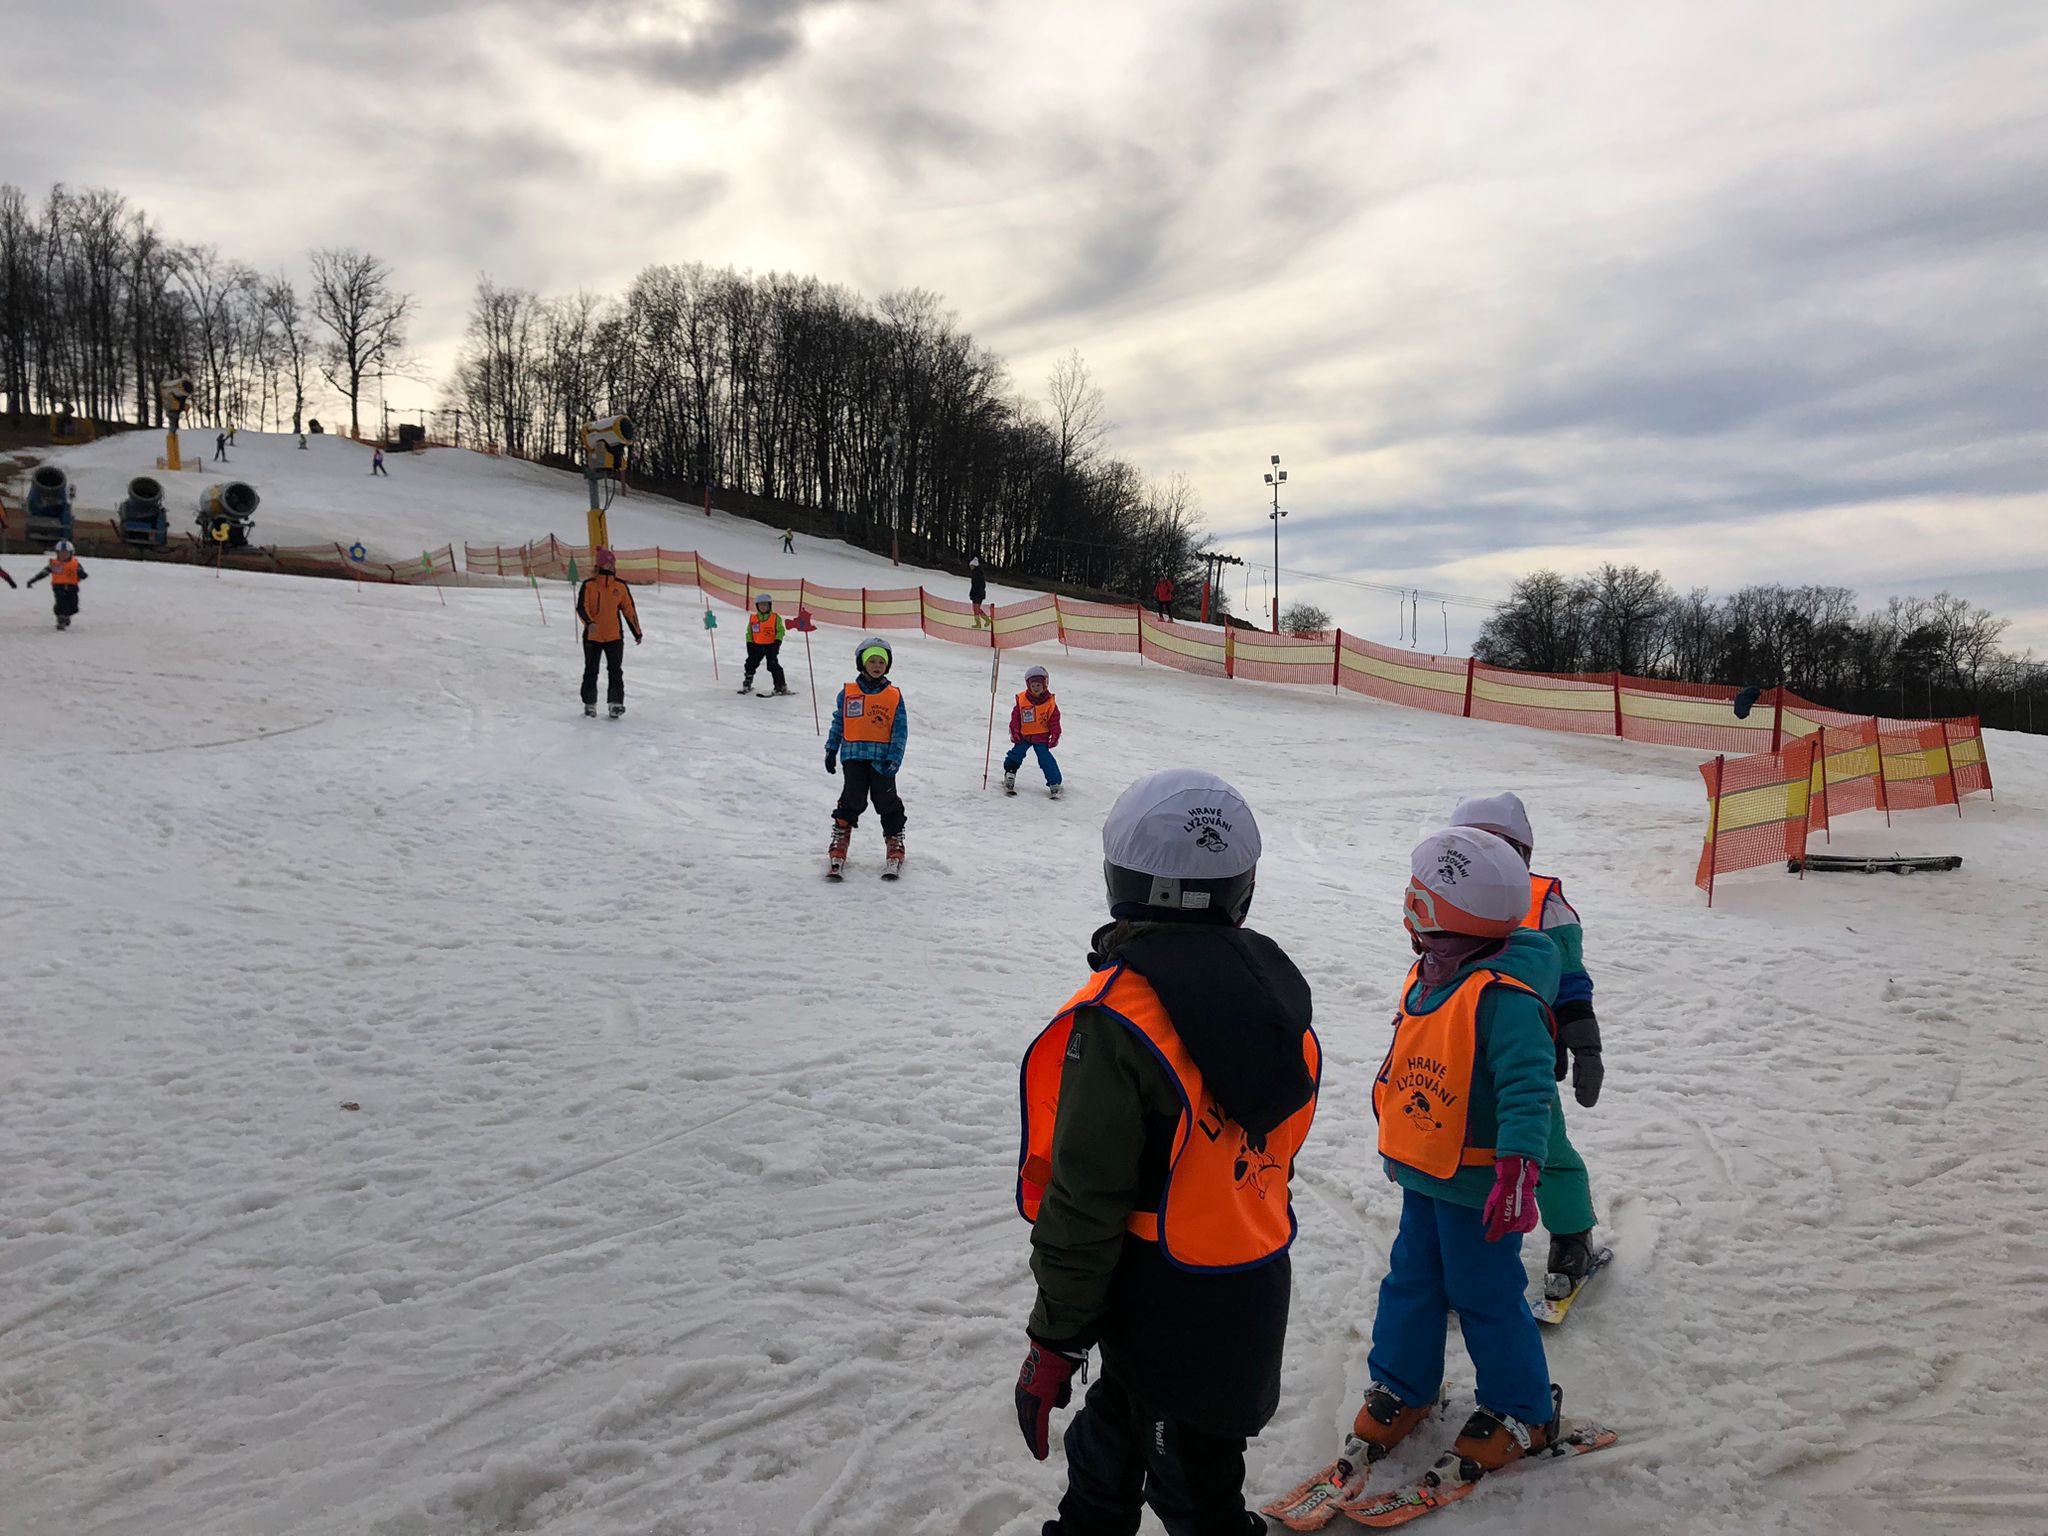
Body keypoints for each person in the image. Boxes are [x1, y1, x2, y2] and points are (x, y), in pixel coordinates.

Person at [1015, 768, 1319, 1536]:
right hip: (1242, 1289)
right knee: (1109, 1453)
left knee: (1191, 1491)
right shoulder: (1276, 1000)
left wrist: (1055, 1336)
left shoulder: (1122, 1018)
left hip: (1161, 1305)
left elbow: (1085, 1198)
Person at [1347, 826, 1562, 1480]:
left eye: (1418, 898)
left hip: (1478, 1186)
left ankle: (1524, 1410)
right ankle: (1404, 1385)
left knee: (1483, 1293)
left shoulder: (1504, 998)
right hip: (1425, 1170)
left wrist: (1518, 1169)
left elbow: (1529, 1089)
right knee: (1411, 1281)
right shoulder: (1434, 971)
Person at [1450, 792, 1604, 1300]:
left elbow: (1570, 978)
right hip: (1455, 1049)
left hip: (1523, 1056)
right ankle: (1454, 1244)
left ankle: (1572, 1233)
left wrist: (1583, 1042)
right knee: (1456, 1147)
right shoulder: (1443, 889)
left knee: (1544, 1146)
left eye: (1497, 847)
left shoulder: (1544, 905)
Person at [824, 636, 908, 877]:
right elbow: (839, 722)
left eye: (882, 662)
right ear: (862, 663)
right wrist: (831, 749)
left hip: (882, 760)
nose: (877, 666)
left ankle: (894, 841)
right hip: (854, 756)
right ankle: (840, 842)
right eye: (872, 661)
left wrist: (895, 758)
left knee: (886, 800)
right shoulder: (848, 693)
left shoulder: (893, 695)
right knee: (852, 798)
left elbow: (900, 730)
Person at [575, 547, 641, 718]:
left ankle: (615, 703)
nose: (611, 566)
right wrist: (590, 623)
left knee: (615, 670)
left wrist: (637, 632)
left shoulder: (620, 586)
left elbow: (629, 610)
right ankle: (590, 703)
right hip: (593, 637)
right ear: (599, 564)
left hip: (614, 636)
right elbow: (582, 607)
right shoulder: (589, 585)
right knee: (591, 670)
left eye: (613, 563)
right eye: (608, 563)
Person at [1002, 664, 1063, 799]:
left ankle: (1054, 783)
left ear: (1045, 685)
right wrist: (1014, 730)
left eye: (1038, 685)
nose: (1036, 688)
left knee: (1046, 760)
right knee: (1016, 754)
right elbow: (1016, 717)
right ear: (1028, 685)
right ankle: (1010, 773)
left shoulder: (1049, 703)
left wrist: (1055, 735)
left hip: (1041, 737)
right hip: (1024, 736)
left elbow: (1054, 720)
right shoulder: (1023, 700)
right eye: (1033, 685)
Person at [26, 540, 87, 630]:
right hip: (59, 587)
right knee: (61, 603)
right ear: (57, 553)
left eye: (66, 553)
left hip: (72, 587)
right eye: (61, 553)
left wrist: (81, 574)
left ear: (71, 553)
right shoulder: (55, 564)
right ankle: (61, 619)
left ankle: (67, 615)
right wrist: (33, 580)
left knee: (74, 607)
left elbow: (83, 574)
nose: (63, 555)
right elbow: (44, 573)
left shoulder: (75, 564)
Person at [740, 592, 791, 696]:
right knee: (750, 663)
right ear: (757, 606)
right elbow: (749, 632)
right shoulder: (753, 618)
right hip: (756, 645)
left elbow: (780, 631)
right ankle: (747, 682)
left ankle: (780, 686)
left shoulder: (775, 617)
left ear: (769, 606)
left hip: (771, 645)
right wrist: (749, 643)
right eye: (761, 605)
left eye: (765, 605)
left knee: (773, 665)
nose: (763, 607)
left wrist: (777, 642)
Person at [969, 557, 989, 630]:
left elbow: (976, 585)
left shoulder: (977, 574)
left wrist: (973, 593)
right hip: (977, 594)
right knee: (976, 609)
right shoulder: (976, 573)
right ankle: (979, 623)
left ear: (974, 566)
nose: (970, 567)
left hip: (978, 594)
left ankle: (985, 621)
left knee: (976, 609)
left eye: (971, 566)